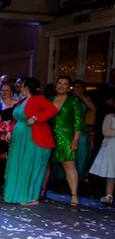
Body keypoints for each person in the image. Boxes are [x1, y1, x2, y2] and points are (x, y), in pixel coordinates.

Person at [4, 78, 57, 205]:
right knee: (17, 165)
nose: (19, 87)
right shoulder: (22, 101)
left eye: (21, 85)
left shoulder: (39, 99)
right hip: (19, 137)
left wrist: (36, 117)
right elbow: (16, 119)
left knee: (30, 165)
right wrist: (10, 131)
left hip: (33, 137)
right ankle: (16, 195)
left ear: (27, 87)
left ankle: (30, 197)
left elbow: (53, 110)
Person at [42, 76, 84, 207]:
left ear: (68, 87)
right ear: (55, 85)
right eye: (59, 83)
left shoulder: (73, 101)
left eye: (65, 84)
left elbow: (78, 122)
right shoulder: (48, 100)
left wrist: (75, 139)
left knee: (69, 166)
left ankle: (74, 195)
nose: (61, 86)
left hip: (66, 137)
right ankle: (42, 191)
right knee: (45, 165)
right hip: (48, 136)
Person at [88, 108, 115, 205]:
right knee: (111, 172)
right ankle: (109, 196)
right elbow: (105, 131)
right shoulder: (110, 116)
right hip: (111, 146)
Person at [70, 80, 95, 181]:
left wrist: (80, 96)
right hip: (69, 128)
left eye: (78, 87)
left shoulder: (86, 98)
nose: (76, 89)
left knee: (83, 153)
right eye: (74, 87)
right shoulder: (69, 99)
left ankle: (79, 177)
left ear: (83, 88)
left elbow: (93, 108)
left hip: (82, 128)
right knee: (70, 153)